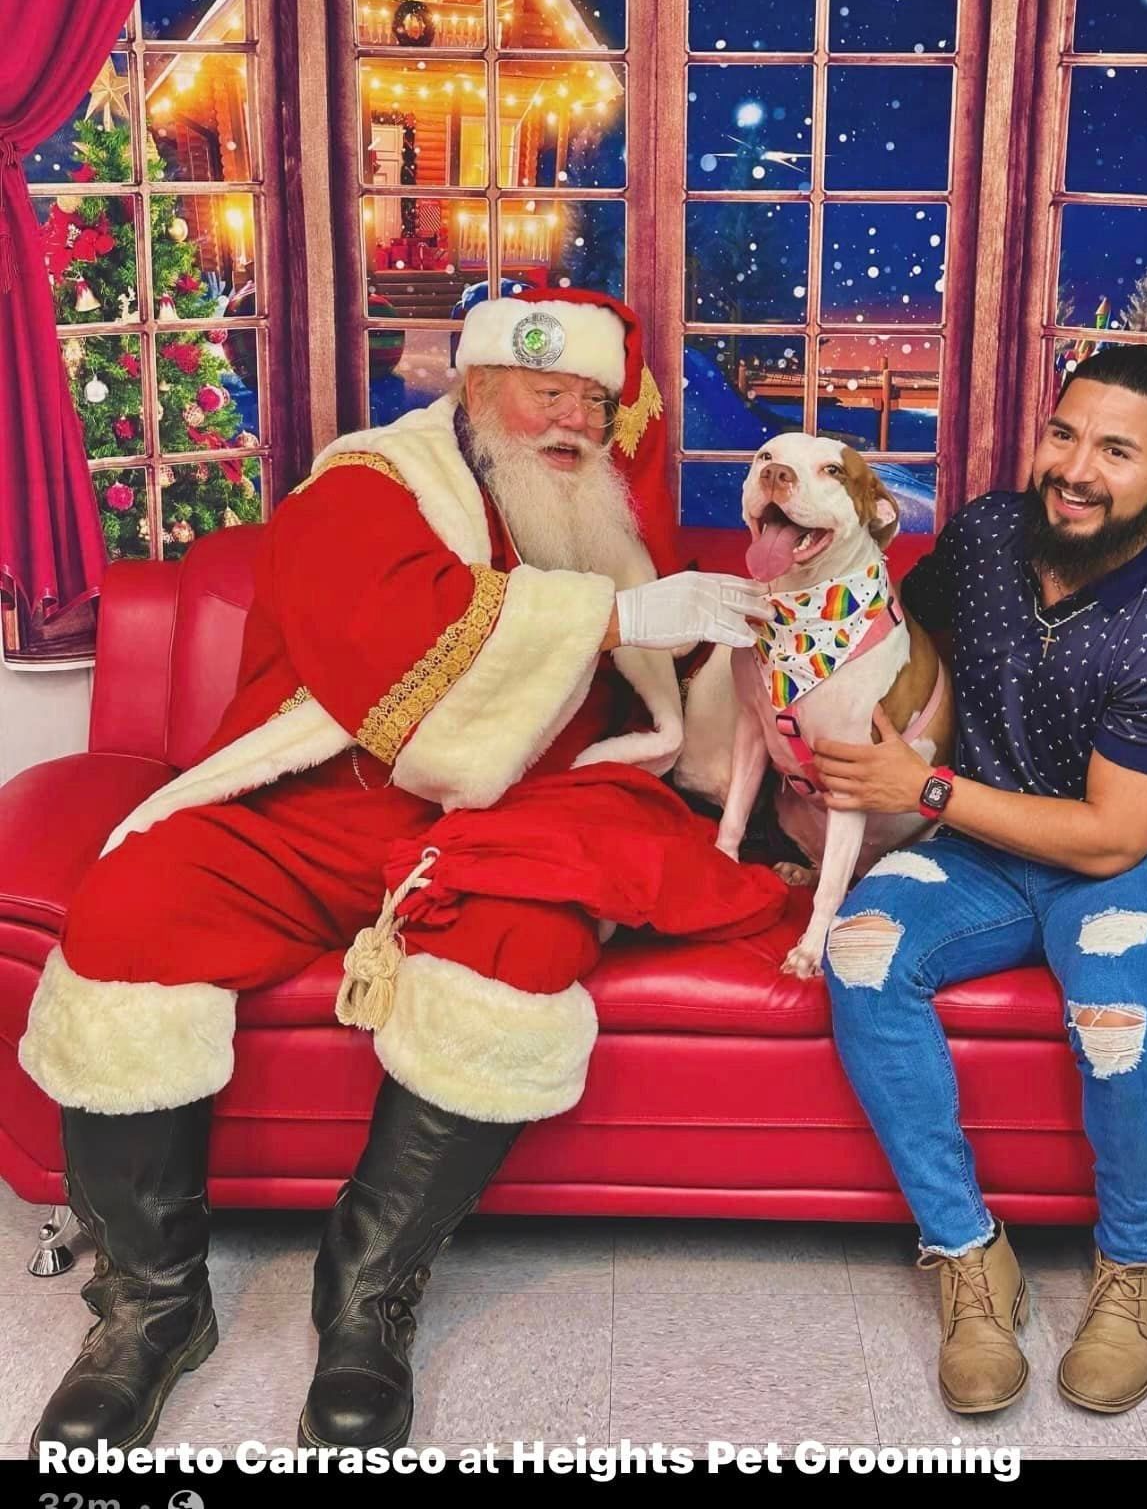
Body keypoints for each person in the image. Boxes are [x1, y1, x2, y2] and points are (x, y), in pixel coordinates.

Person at [18, 287, 772, 1455]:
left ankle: (364, 1297)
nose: (571, 417)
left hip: (524, 813)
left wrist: (729, 649)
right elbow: (394, 637)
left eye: (592, 397)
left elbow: (676, 702)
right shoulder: (370, 481)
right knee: (129, 911)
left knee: (523, 949)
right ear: (474, 386)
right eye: (545, 388)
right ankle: (150, 1308)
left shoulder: (608, 519)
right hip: (323, 802)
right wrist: (616, 614)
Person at [810, 347, 1147, 1416]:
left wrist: (927, 782)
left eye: (1115, 448)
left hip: (1131, 862)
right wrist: (846, 723)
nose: (1075, 466)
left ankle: (1131, 1267)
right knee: (858, 953)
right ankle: (966, 1251)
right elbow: (901, 631)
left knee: (1115, 1013)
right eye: (1064, 432)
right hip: (981, 847)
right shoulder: (992, 531)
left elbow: (1106, 836)